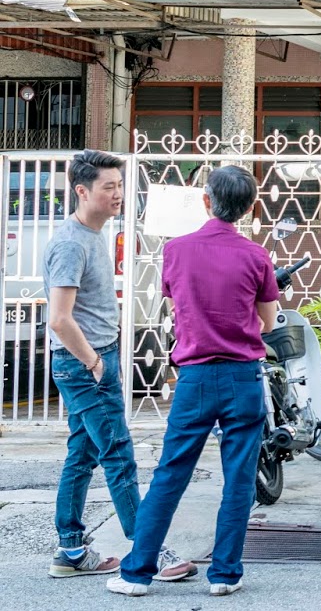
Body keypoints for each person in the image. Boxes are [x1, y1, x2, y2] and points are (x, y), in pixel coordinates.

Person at [107, 166, 277, 598]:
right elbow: (269, 321)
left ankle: (137, 574)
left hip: (194, 377)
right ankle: (224, 574)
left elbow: (176, 303)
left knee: (170, 474)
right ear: (250, 208)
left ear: (206, 201)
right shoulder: (257, 256)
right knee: (238, 477)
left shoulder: (177, 250)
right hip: (243, 376)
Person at [44, 150, 196, 583]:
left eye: (119, 186)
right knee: (118, 454)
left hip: (96, 358)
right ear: (82, 190)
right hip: (84, 363)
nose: (118, 195)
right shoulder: (71, 243)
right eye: (108, 187)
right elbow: (59, 318)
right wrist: (94, 362)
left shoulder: (96, 233)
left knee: (83, 453)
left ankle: (71, 549)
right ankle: (148, 551)